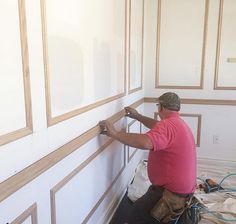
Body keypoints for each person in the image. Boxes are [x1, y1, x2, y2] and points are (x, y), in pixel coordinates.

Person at [99, 92, 196, 224]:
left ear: (160, 107)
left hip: (170, 194)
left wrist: (115, 133)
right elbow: (156, 125)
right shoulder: (177, 123)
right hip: (183, 192)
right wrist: (138, 116)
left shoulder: (167, 126)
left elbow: (145, 142)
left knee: (135, 216)